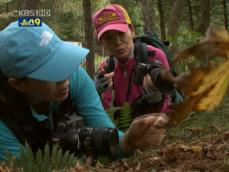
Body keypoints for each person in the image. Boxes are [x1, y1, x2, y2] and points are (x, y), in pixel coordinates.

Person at [0, 21, 168, 161]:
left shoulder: (75, 77)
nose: (65, 78)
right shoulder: (5, 120)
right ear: (18, 84)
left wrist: (130, 141)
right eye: (51, 73)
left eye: (62, 61)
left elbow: (109, 135)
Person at [92, 4, 172, 118]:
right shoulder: (106, 68)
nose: (117, 42)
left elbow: (168, 109)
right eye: (108, 38)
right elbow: (107, 114)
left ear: (132, 30)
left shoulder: (154, 56)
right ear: (102, 44)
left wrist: (158, 101)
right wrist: (96, 94)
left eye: (121, 33)